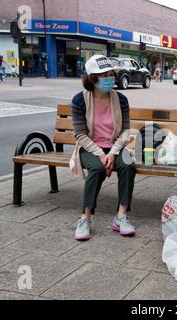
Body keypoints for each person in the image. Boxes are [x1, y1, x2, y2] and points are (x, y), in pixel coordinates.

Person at [70, 55, 136, 241]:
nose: (109, 78)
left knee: (128, 165)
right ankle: (85, 218)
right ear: (92, 78)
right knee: (97, 168)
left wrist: (114, 153)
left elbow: (125, 131)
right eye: (104, 75)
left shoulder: (120, 99)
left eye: (111, 74)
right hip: (90, 148)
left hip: (115, 146)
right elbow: (80, 135)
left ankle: (121, 216)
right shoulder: (80, 100)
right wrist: (100, 154)